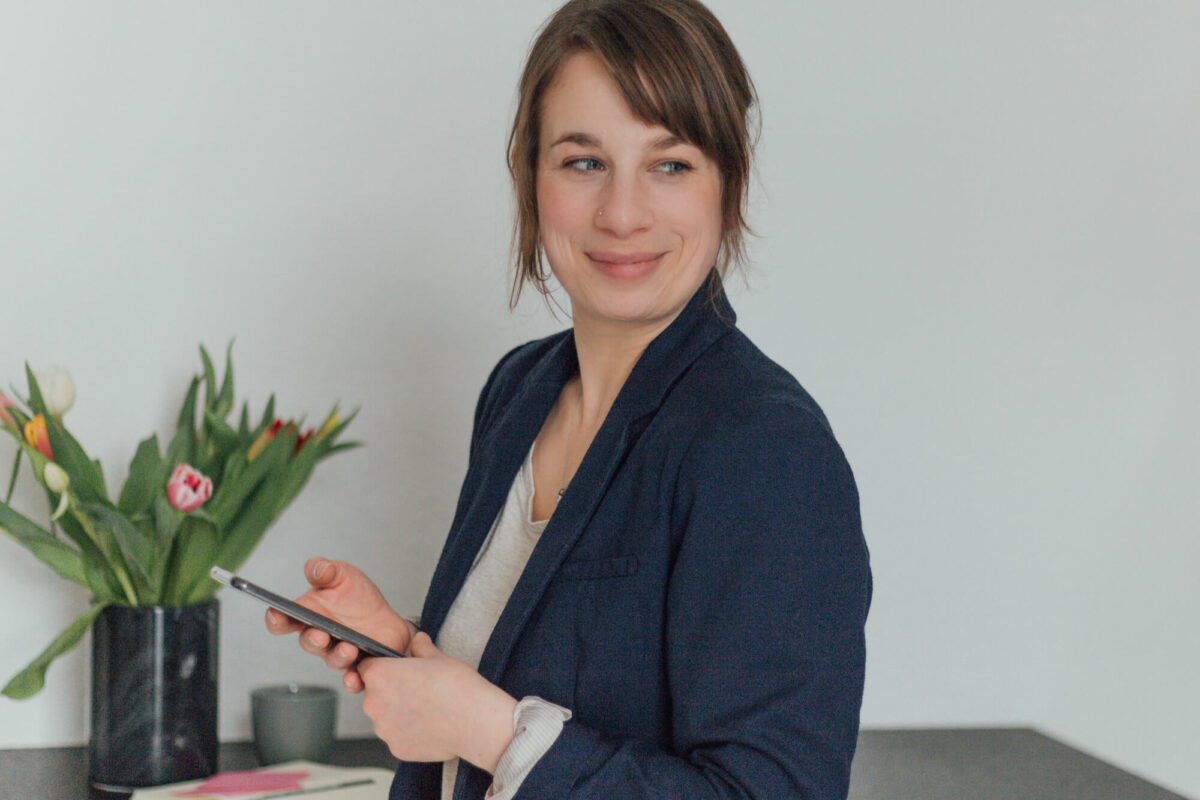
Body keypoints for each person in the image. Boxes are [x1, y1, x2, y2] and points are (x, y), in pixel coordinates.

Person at [266, 1, 872, 797]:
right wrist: (405, 652)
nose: (623, 213)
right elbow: (542, 676)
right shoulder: (519, 390)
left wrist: (487, 728)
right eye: (584, 162)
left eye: (671, 165)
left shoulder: (764, 446)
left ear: (729, 183)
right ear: (530, 175)